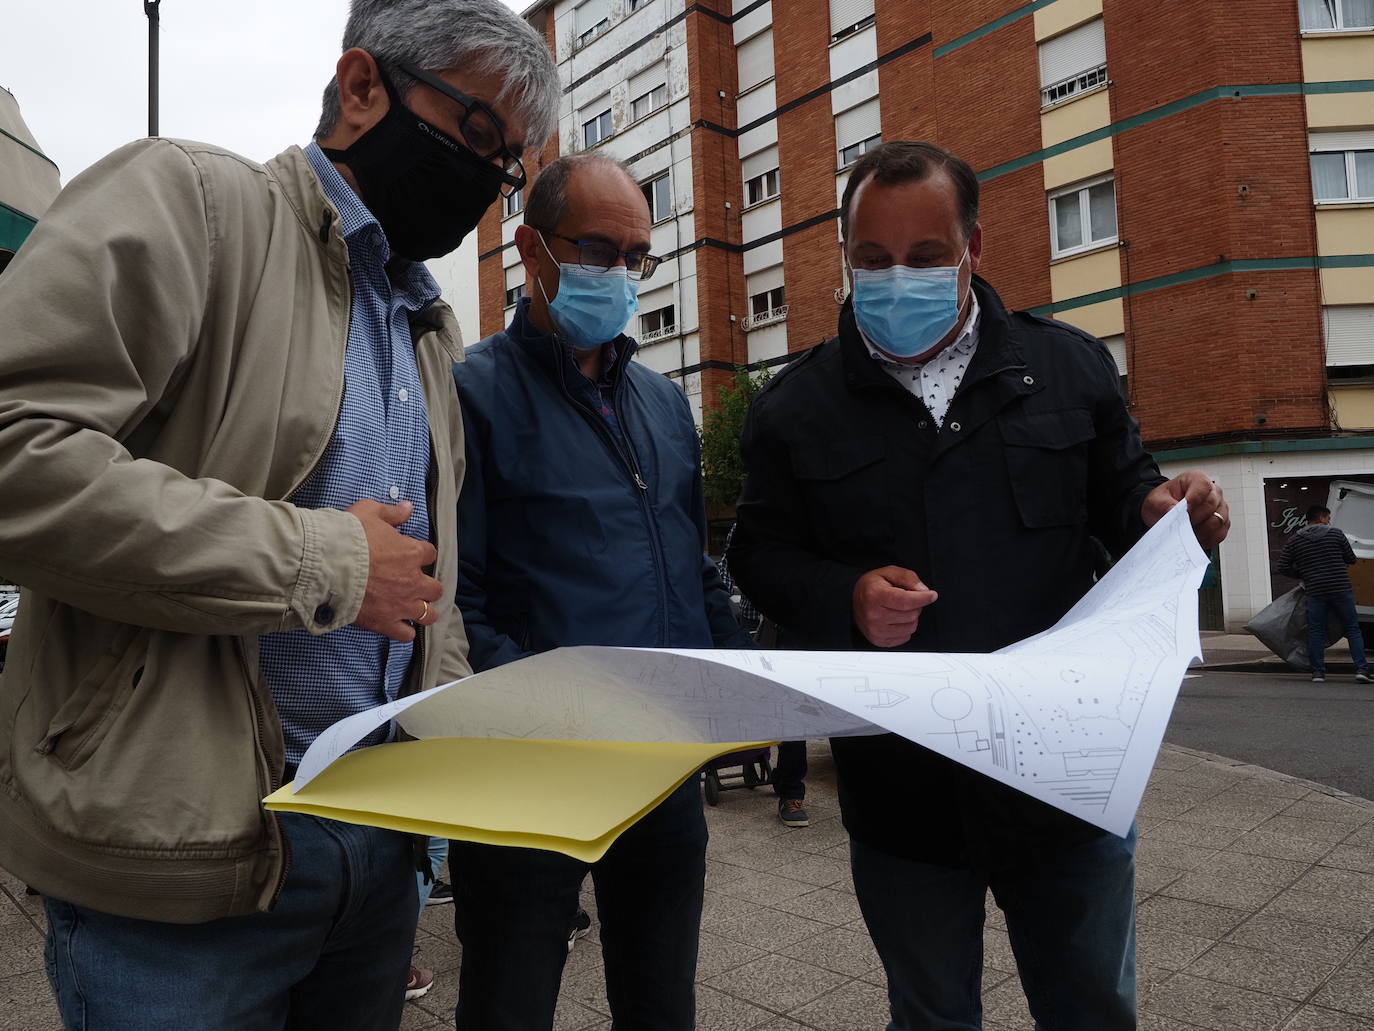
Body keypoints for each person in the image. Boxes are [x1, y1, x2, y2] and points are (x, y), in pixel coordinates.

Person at [0, 2, 558, 1027]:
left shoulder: (428, 330)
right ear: (360, 88)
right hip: (175, 872)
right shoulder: (190, 203)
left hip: (377, 855)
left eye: (509, 164)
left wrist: (466, 733)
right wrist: (325, 559)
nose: (488, 182)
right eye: (479, 138)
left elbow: (423, 587)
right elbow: (16, 447)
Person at [727, 140, 1231, 1031]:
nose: (898, 279)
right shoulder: (794, 408)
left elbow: (1128, 495)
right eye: (872, 261)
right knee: (930, 1015)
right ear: (845, 258)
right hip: (901, 792)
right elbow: (757, 554)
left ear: (975, 249)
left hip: (1068, 782)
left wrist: (1165, 509)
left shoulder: (1070, 367)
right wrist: (844, 592)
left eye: (926, 258)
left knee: (1092, 1009)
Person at [449, 152, 749, 1031]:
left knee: (662, 1006)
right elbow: (456, 602)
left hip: (658, 772)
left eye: (635, 256)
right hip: (527, 778)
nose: (617, 273)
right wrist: (556, 715)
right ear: (529, 249)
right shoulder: (471, 390)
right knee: (509, 1002)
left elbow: (691, 565)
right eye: (596, 249)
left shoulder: (662, 403)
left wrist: (734, 680)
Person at [718, 524, 810, 827]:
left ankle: (791, 790)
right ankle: (784, 779)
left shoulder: (812, 526)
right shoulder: (745, 528)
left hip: (800, 632)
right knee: (773, 712)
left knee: (797, 714)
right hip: (758, 633)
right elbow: (725, 577)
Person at [1277, 504, 1371, 683]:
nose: (1329, 522)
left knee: (1316, 631)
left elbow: (1283, 566)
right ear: (1321, 518)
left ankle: (1318, 672)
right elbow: (1351, 558)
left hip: (1315, 590)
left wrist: (1303, 574)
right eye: (1328, 518)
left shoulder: (1295, 540)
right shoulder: (1336, 534)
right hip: (1340, 587)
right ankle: (1361, 669)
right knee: (1352, 629)